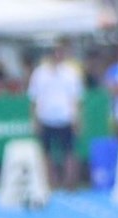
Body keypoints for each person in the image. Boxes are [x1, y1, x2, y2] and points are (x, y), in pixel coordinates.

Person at [28, 40, 85, 190]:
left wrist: (77, 119)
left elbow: (76, 98)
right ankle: (50, 182)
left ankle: (69, 183)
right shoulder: (39, 73)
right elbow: (33, 99)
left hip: (66, 117)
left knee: (70, 151)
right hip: (46, 117)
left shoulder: (71, 73)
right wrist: (34, 120)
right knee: (46, 153)